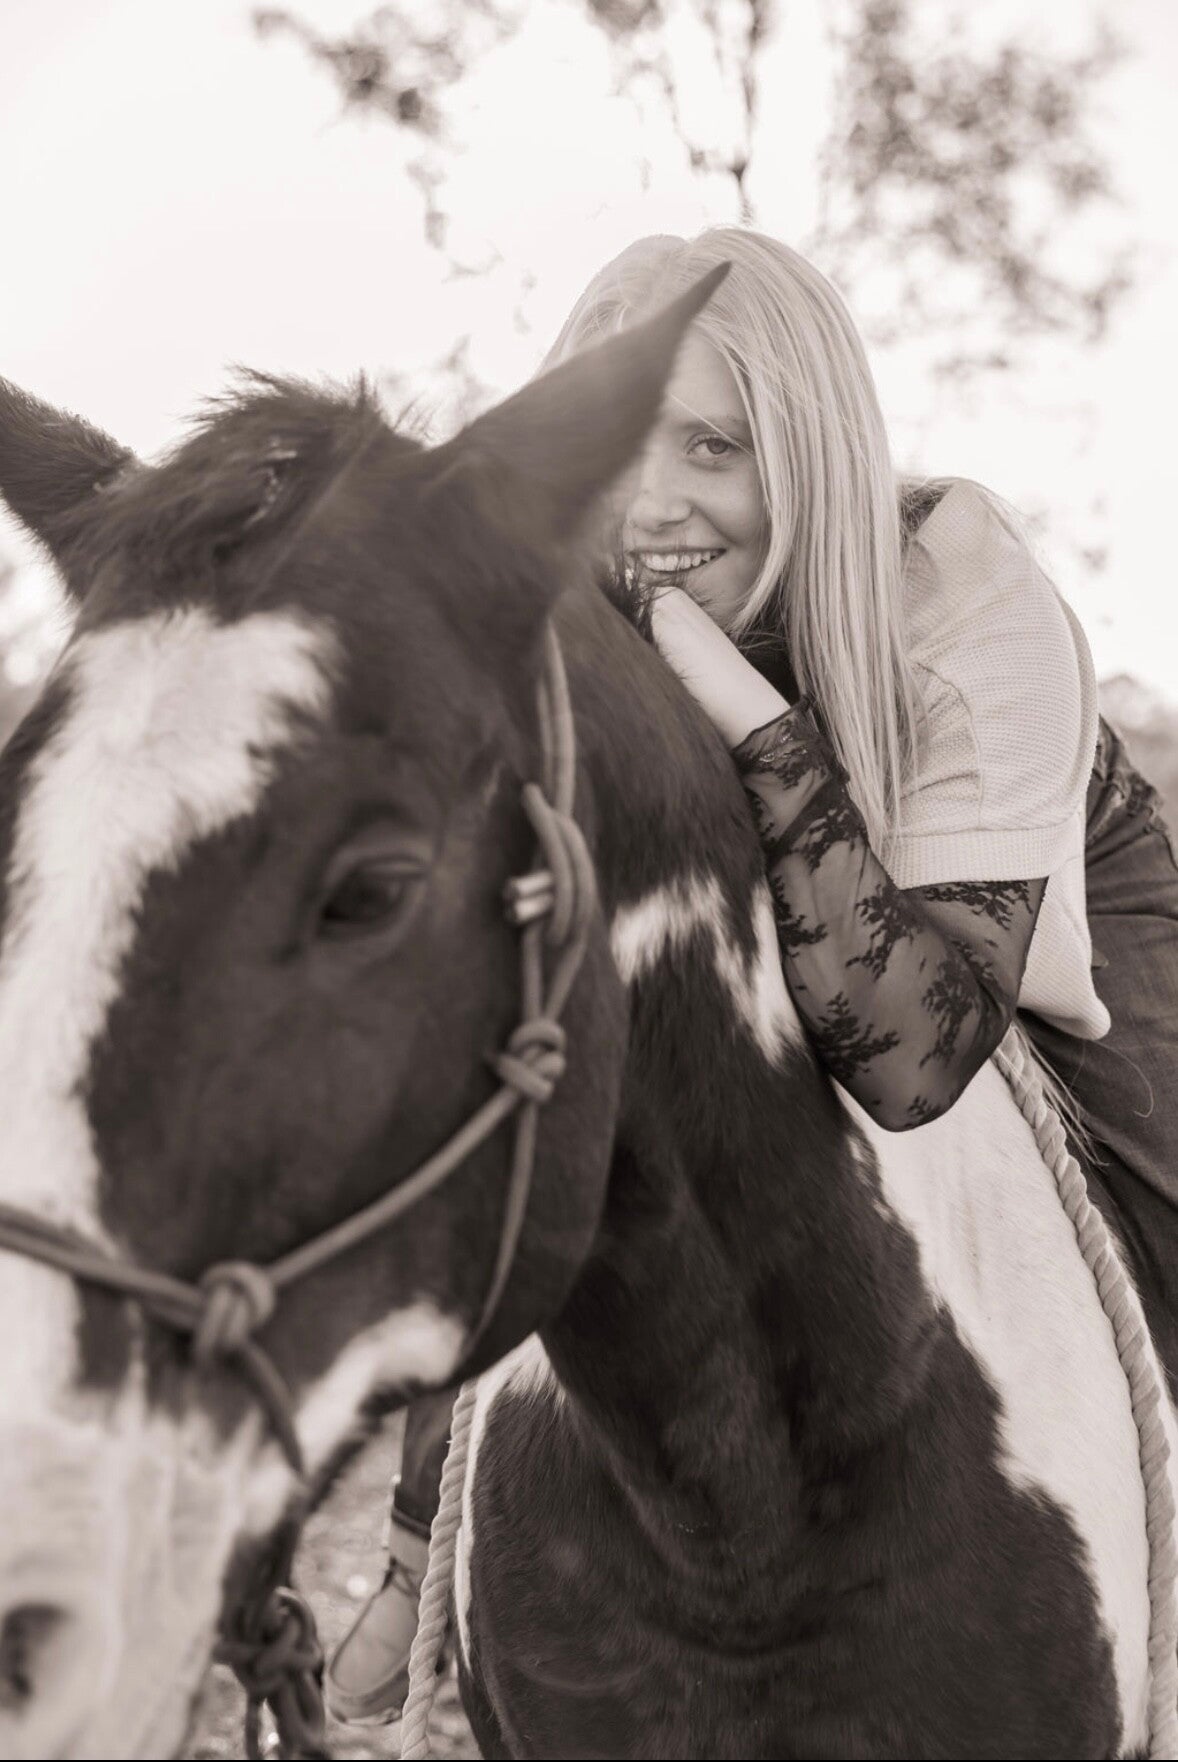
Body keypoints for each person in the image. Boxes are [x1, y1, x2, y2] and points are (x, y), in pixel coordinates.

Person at [324, 227, 1178, 1726]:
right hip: (742, 913)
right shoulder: (554, 612)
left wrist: (736, 701)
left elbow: (913, 1052)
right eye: (618, 449)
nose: (651, 501)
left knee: (1159, 1184)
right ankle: (418, 1542)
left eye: (713, 446)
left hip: (997, 933)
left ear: (806, 454)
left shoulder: (958, 591)